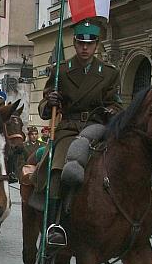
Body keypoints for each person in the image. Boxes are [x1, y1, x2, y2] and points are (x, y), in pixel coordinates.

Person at [36, 20, 123, 245]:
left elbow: (117, 104)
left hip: (98, 128)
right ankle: (53, 226)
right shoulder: (61, 71)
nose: (85, 48)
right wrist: (50, 100)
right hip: (69, 129)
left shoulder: (110, 73)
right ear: (74, 43)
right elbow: (44, 109)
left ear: (97, 45)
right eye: (81, 43)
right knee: (58, 169)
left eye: (90, 43)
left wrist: (112, 110)